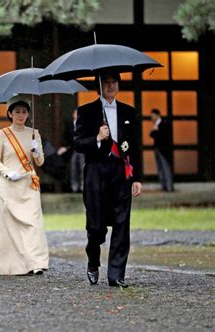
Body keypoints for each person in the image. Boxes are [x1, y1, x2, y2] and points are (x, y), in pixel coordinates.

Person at [74, 71, 142, 288]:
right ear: (99, 86)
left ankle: (116, 275)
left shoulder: (129, 111)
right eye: (106, 82)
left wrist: (137, 178)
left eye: (114, 82)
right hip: (96, 171)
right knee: (95, 226)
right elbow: (77, 144)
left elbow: (136, 147)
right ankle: (93, 261)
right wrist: (96, 138)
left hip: (121, 173)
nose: (111, 86)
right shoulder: (86, 111)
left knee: (122, 223)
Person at [0, 95, 49, 275]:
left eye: (24, 112)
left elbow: (40, 162)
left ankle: (35, 263)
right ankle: (14, 265)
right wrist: (7, 171)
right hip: (10, 185)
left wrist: (36, 151)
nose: (21, 115)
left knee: (33, 223)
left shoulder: (34, 133)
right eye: (17, 112)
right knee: (11, 226)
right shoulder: (3, 134)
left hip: (29, 184)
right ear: (10, 113)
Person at [150, 109, 174, 192]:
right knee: (160, 167)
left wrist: (156, 130)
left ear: (157, 115)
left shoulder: (164, 123)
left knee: (166, 167)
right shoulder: (155, 125)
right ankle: (164, 186)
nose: (151, 118)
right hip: (157, 148)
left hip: (164, 149)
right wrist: (155, 130)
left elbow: (162, 135)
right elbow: (151, 134)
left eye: (152, 116)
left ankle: (169, 187)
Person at [62, 110, 85, 193]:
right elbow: (66, 137)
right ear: (73, 114)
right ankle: (74, 187)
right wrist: (66, 147)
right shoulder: (70, 125)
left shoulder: (83, 125)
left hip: (81, 149)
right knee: (73, 168)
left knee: (82, 168)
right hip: (72, 149)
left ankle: (82, 186)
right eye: (76, 113)